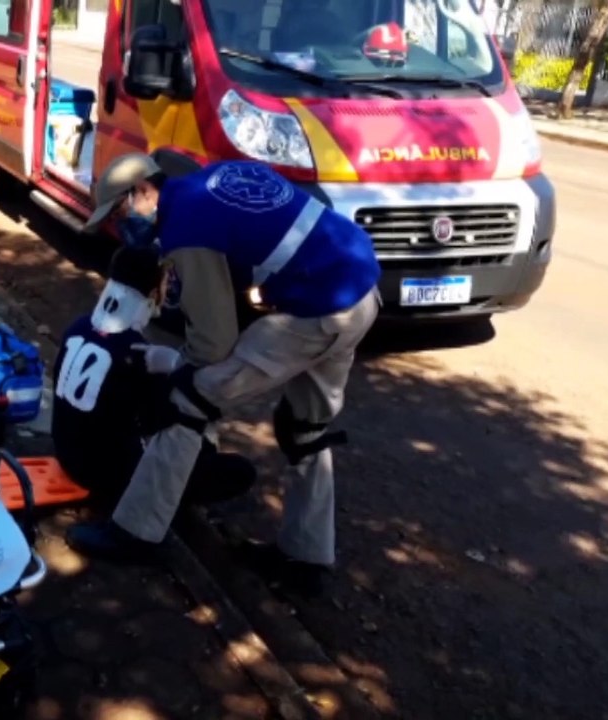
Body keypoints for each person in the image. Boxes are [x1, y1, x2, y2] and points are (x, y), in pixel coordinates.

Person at [66, 153, 382, 598]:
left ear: (143, 191)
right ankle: (306, 561)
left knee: (187, 402)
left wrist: (175, 367)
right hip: (360, 288)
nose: (123, 228)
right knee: (305, 429)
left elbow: (213, 343)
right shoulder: (210, 179)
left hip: (318, 311)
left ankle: (135, 533)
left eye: (120, 213)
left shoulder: (185, 229)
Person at [52, 244, 257, 509]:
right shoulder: (138, 355)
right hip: (105, 474)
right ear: (152, 293)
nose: (166, 291)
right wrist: (175, 369)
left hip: (66, 451)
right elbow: (159, 420)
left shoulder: (77, 327)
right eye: (164, 283)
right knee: (238, 470)